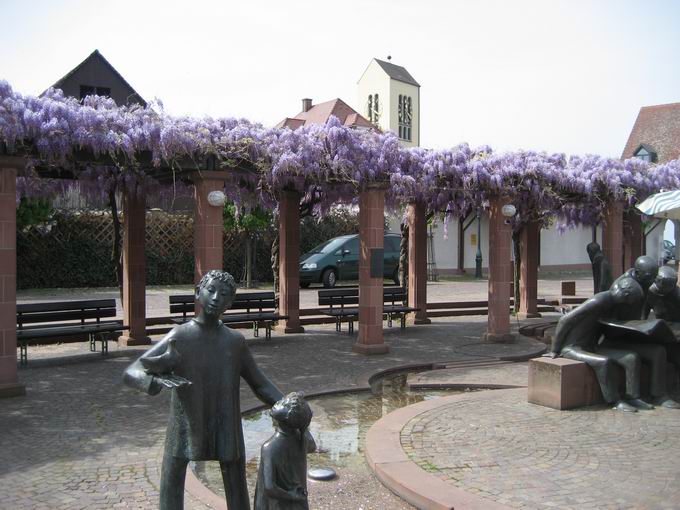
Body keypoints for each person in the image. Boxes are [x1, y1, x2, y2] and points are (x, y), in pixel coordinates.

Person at [123, 270, 284, 510]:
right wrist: (156, 382)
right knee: (171, 484)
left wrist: (289, 408)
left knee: (236, 488)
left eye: (224, 294)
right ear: (198, 293)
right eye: (211, 290)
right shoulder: (180, 336)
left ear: (230, 303)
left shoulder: (234, 342)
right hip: (185, 424)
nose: (216, 297)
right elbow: (132, 372)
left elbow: (260, 384)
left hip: (225, 425)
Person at [548, 277, 672, 412]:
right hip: (572, 348)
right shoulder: (598, 301)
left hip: (592, 346)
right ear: (625, 295)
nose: (630, 304)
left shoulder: (612, 304)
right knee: (604, 362)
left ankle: (632, 397)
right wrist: (554, 349)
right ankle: (615, 401)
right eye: (631, 300)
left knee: (631, 358)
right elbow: (564, 320)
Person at [254, 392, 315, 510]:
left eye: (283, 402)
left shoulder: (270, 447)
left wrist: (291, 496)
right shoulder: (301, 439)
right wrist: (303, 427)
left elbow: (269, 487)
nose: (278, 402)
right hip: (298, 502)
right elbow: (312, 446)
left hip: (278, 504)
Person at [610, 255, 659, 319]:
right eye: (649, 277)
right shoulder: (620, 287)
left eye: (655, 276)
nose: (653, 280)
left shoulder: (645, 281)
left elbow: (645, 303)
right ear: (637, 273)